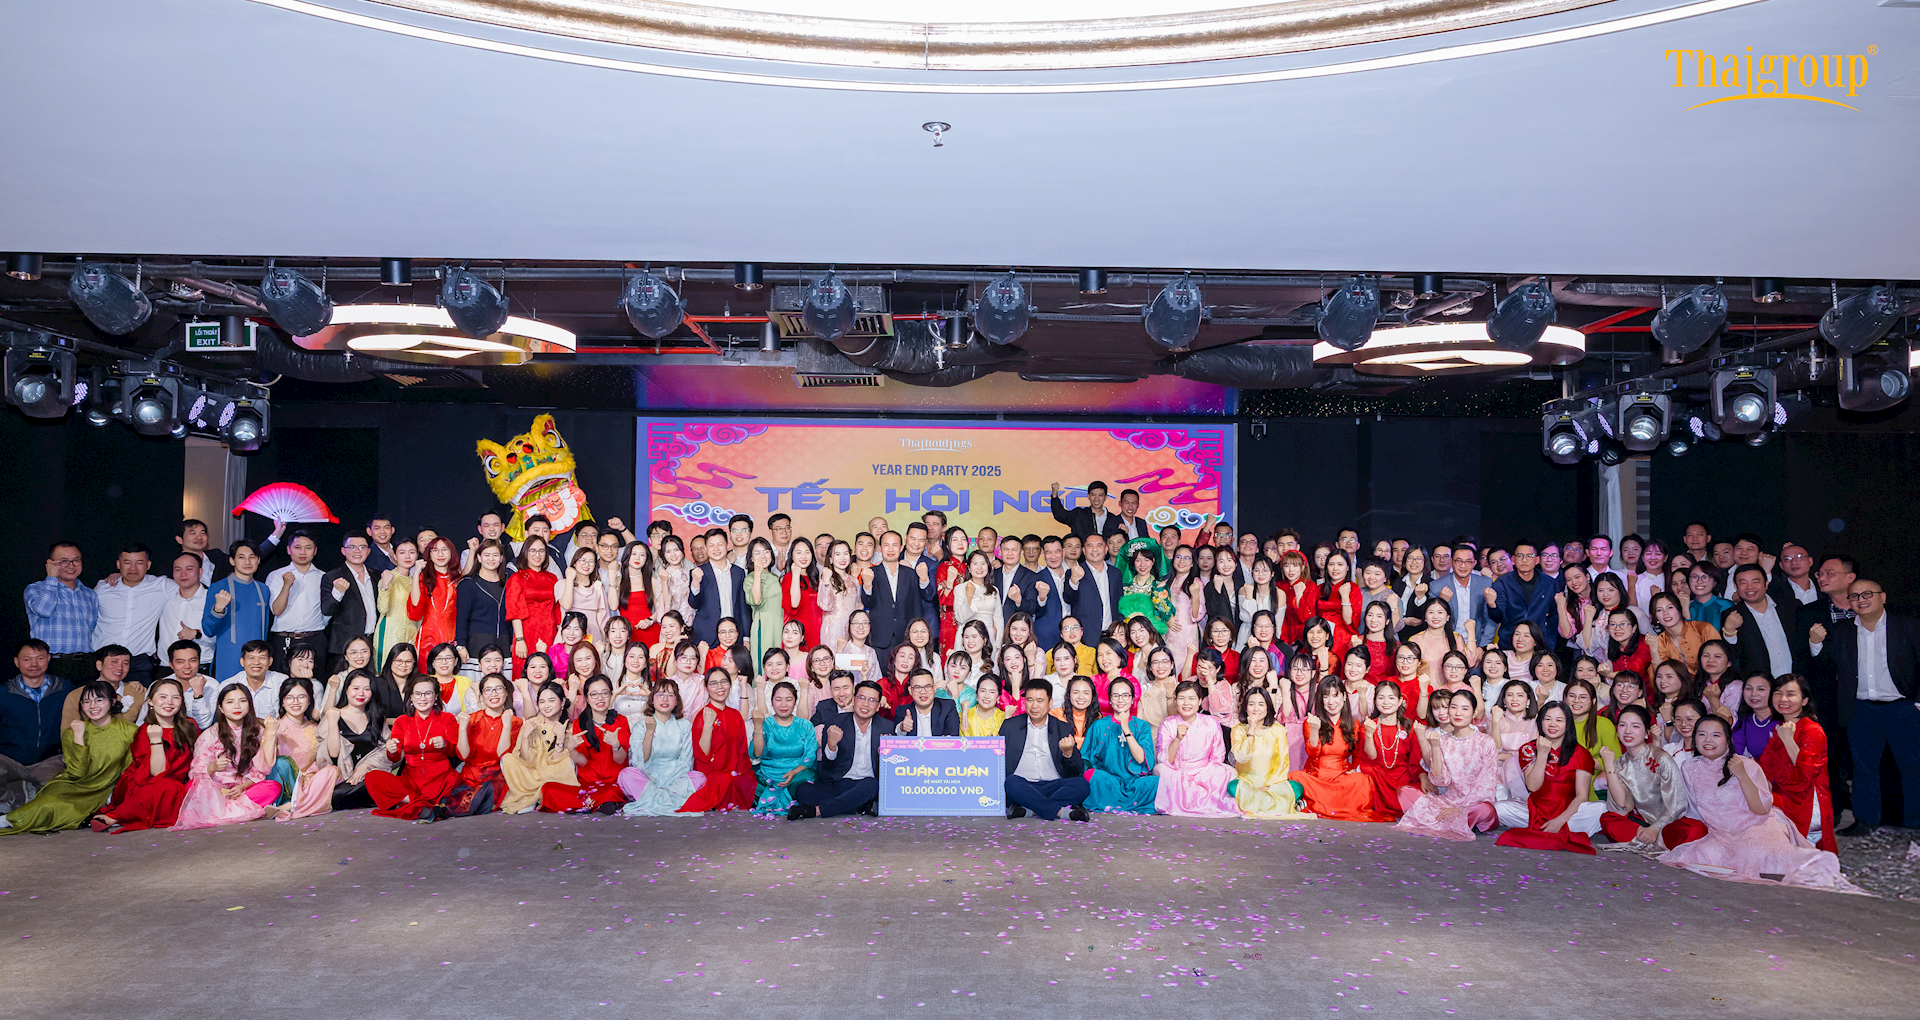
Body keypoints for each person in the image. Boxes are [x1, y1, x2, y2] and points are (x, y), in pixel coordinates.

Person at [1659, 715, 1853, 891]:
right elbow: (1695, 809)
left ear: (1728, 739)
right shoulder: (1690, 767)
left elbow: (1760, 809)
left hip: (1756, 826)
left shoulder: (1746, 764)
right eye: (1702, 735)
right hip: (1721, 834)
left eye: (1716, 735)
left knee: (1759, 856)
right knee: (1702, 856)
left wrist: (1742, 775)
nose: (1708, 740)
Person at [1810, 577, 1920, 836]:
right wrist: (1816, 644)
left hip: (1903, 707)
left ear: (1883, 597)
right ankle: (1865, 821)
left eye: (1867, 594)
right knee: (1864, 770)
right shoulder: (1842, 631)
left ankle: (1915, 824)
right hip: (1861, 710)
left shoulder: (1908, 626)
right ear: (1850, 603)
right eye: (1855, 596)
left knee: (1912, 768)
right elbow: (1826, 667)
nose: (1861, 600)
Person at [0, 680, 134, 833]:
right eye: (86, 701)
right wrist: (79, 737)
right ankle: (9, 820)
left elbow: (130, 770)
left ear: (113, 701)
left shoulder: (129, 731)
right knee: (49, 803)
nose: (92, 706)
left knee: (71, 809)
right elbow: (77, 773)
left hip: (106, 789)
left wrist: (115, 795)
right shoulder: (72, 733)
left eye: (99, 700)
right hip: (74, 785)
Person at [91, 676, 197, 833]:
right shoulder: (144, 731)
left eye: (175, 697)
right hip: (144, 783)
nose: (169, 702)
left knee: (185, 788)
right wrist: (155, 740)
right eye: (162, 697)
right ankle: (117, 816)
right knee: (168, 786)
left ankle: (127, 815)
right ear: (150, 701)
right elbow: (157, 773)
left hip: (176, 784)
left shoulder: (190, 726)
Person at [171, 683, 283, 830]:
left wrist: (243, 787)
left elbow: (261, 768)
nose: (237, 706)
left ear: (249, 705)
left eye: (242, 701)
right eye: (230, 702)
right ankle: (246, 812)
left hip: (244, 790)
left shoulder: (258, 732)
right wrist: (212, 767)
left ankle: (226, 813)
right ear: (221, 708)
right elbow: (197, 771)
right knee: (191, 786)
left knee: (273, 787)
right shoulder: (210, 735)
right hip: (216, 791)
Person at [1393, 689, 1499, 841]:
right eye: (1453, 707)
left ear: (1474, 713)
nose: (1458, 713)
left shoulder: (1485, 742)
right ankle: (1457, 822)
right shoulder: (1442, 741)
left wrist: (1461, 809)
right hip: (1446, 801)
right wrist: (1435, 747)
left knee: (1485, 810)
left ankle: (1455, 819)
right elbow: (1440, 781)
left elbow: (1486, 783)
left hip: (1473, 804)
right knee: (1405, 793)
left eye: (1464, 708)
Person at [1495, 702, 1598, 854]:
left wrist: (1559, 821)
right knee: (1499, 809)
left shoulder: (1581, 753)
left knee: (1601, 809)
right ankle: (1549, 831)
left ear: (1568, 724)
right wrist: (1542, 754)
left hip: (1568, 814)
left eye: (1559, 720)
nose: (1552, 724)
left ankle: (1552, 830)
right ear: (1540, 722)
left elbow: (1582, 795)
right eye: (1547, 719)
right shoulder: (1528, 749)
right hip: (1534, 811)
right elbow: (1533, 786)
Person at [1595, 704, 1699, 852]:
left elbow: (1678, 803)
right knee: (1607, 820)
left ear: (1646, 732)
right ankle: (1654, 841)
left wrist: (1655, 828)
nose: (1628, 731)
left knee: (1694, 829)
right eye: (1623, 725)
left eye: (1635, 726)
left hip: (1669, 822)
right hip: (1642, 822)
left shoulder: (1661, 758)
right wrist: (1609, 766)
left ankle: (1650, 839)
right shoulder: (1620, 764)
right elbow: (1621, 805)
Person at [788, 680, 894, 819]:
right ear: (854, 700)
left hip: (867, 783)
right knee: (803, 790)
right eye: (861, 698)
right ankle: (860, 804)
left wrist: (884, 756)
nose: (865, 704)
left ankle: (817, 811)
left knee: (872, 785)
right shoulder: (835, 722)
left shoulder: (887, 727)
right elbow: (827, 765)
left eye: (872, 700)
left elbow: (891, 770)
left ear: (878, 706)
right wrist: (831, 746)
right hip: (840, 782)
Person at [365, 676, 462, 821]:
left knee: (456, 782)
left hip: (441, 778)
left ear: (436, 696)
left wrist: (445, 744)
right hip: (412, 780)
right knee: (372, 777)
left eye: (428, 693)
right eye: (417, 693)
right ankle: (422, 804)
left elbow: (455, 751)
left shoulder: (447, 718)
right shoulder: (402, 721)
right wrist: (391, 751)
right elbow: (395, 758)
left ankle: (418, 806)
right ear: (411, 697)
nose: (422, 698)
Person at [1758, 674, 1835, 851]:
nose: (1783, 699)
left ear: (1804, 700)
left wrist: (1789, 741)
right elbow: (1765, 768)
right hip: (1786, 798)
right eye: (1778, 693)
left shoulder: (1811, 729)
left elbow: (1806, 775)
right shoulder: (1780, 729)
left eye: (1790, 694)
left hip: (1806, 804)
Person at [1002, 679, 1092, 821]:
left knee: (1082, 785)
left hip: (1053, 785)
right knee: (1011, 783)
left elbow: (1077, 770)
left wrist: (1068, 753)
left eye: (1040, 701)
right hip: (1023, 785)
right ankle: (1060, 812)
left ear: (1050, 703)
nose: (1034, 706)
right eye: (1030, 700)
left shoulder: (1063, 728)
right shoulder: (1009, 726)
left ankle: (1030, 810)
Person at [89, 544, 174, 688]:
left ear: (148, 565)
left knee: (139, 701)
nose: (133, 568)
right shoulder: (103, 587)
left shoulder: (162, 586)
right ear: (118, 564)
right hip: (102, 660)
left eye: (139, 563)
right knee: (96, 700)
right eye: (127, 562)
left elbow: (192, 588)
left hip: (138, 663)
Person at [542, 675, 629, 814]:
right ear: (587, 698)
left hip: (612, 783)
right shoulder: (579, 723)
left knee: (612, 791)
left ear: (611, 695)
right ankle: (597, 804)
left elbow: (620, 759)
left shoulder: (621, 721)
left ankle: (590, 803)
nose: (600, 698)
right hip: (587, 783)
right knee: (548, 788)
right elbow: (582, 762)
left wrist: (615, 745)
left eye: (605, 693)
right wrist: (571, 749)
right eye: (594, 694)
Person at [678, 668, 756, 812]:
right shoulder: (702, 716)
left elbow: (742, 752)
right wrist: (708, 725)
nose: (719, 687)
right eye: (713, 683)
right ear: (706, 688)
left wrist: (741, 774)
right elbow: (701, 755)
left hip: (734, 774)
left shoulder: (735, 715)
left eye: (723, 682)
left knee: (751, 784)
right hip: (712, 776)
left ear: (730, 685)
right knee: (727, 781)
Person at [1232, 687, 1313, 819]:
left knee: (1297, 787)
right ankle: (1282, 804)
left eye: (1261, 704)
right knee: (1232, 787)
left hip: (1273, 784)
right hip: (1247, 783)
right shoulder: (1238, 730)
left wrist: (1268, 786)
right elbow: (1242, 757)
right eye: (1251, 704)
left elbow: (1282, 762)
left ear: (1267, 708)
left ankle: (1256, 803)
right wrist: (1251, 730)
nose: (1256, 709)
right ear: (1246, 708)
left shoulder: (1277, 730)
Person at [1081, 676, 1159, 814]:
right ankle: (1128, 804)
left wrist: (1126, 730)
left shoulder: (1142, 726)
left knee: (1156, 782)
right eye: (1116, 696)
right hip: (1108, 781)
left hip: (1134, 782)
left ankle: (1112, 802)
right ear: (1110, 700)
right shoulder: (1099, 725)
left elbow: (1141, 758)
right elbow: (1085, 758)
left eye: (1125, 695)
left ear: (1132, 699)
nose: (1120, 700)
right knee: (1092, 776)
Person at [25, 541, 99, 684]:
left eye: (76, 560)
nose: (71, 566)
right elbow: (43, 611)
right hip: (52, 664)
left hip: (85, 665)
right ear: (50, 564)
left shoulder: (90, 594)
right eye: (63, 561)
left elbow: (93, 629)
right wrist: (51, 579)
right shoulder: (36, 589)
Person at [262, 678, 337, 819]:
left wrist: (310, 775)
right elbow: (266, 763)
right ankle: (296, 802)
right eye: (290, 697)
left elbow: (320, 759)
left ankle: (289, 806)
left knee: (332, 770)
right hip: (285, 785)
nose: (295, 702)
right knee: (282, 762)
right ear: (283, 702)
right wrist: (271, 733)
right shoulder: (275, 727)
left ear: (309, 701)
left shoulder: (315, 728)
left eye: (301, 697)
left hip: (309, 781)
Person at [501, 681, 577, 813]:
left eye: (551, 700)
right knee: (507, 759)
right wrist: (525, 736)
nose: (546, 705)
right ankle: (529, 798)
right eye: (542, 702)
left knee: (569, 761)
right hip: (532, 772)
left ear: (563, 702)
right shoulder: (531, 724)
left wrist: (560, 738)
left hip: (552, 774)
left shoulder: (568, 727)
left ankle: (541, 797)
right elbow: (525, 760)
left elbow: (557, 761)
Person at [202, 540, 271, 683]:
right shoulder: (218, 587)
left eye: (252, 557)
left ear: (258, 560)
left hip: (257, 661)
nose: (247, 562)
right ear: (232, 561)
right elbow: (208, 630)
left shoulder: (263, 589)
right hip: (229, 659)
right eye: (241, 557)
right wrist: (218, 609)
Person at [324, 669, 392, 810]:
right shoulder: (334, 715)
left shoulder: (377, 717)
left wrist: (365, 765)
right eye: (356, 688)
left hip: (370, 775)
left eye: (367, 689)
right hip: (342, 780)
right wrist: (332, 722)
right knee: (337, 795)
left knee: (375, 781)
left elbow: (387, 749)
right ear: (346, 689)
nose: (361, 693)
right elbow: (333, 753)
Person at [750, 680, 817, 817]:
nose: (783, 704)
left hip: (797, 776)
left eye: (788, 699)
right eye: (778, 700)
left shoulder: (805, 725)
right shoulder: (765, 723)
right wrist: (758, 726)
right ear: (772, 702)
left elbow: (810, 756)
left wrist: (794, 772)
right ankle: (788, 799)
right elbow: (757, 753)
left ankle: (776, 798)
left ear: (795, 702)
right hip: (767, 777)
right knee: (745, 782)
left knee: (809, 778)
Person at [1357, 680, 1423, 819]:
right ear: (1375, 701)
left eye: (1391, 698)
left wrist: (1423, 777)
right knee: (1365, 771)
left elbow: (1415, 761)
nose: (1386, 702)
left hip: (1402, 779)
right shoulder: (1368, 725)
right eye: (1381, 697)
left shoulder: (1408, 727)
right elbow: (1371, 757)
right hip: (1377, 778)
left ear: (1399, 702)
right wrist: (1369, 734)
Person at [266, 532, 327, 670]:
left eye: (308, 548)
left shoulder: (323, 577)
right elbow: (276, 610)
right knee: (282, 681)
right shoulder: (276, 575)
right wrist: (286, 586)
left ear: (315, 551)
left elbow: (327, 611)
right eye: (297, 547)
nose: (302, 552)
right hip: (284, 639)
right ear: (289, 549)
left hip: (314, 639)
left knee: (314, 681)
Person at [318, 535, 378, 678]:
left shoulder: (377, 575)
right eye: (351, 547)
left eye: (362, 547)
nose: (357, 551)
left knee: (370, 685)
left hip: (372, 643)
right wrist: (338, 592)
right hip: (344, 645)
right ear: (343, 550)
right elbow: (326, 610)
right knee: (343, 685)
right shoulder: (332, 576)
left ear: (368, 551)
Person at [864, 531, 934, 651]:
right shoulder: (871, 573)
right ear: (880, 548)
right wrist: (867, 584)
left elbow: (916, 606)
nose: (891, 549)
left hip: (904, 637)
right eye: (886, 545)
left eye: (895, 545)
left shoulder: (911, 574)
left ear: (901, 548)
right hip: (879, 637)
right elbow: (867, 603)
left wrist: (917, 633)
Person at [1484, 542, 1561, 651]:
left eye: (1529, 556)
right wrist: (1492, 605)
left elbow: (1554, 617)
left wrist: (1549, 644)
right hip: (1509, 644)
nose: (1524, 560)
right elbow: (1497, 618)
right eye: (1520, 556)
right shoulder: (1502, 583)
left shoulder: (1549, 583)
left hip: (1539, 644)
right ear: (1514, 559)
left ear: (1537, 560)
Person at [506, 537, 562, 676]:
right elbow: (515, 611)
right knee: (525, 672)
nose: (537, 555)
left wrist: (560, 638)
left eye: (541, 551)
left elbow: (557, 610)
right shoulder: (517, 578)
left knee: (549, 671)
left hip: (549, 632)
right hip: (526, 633)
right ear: (525, 552)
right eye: (533, 551)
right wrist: (520, 640)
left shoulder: (552, 578)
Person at [688, 532, 747, 647]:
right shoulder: (698, 572)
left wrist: (746, 637)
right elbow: (694, 604)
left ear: (727, 545)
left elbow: (743, 607)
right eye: (711, 545)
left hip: (733, 635)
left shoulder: (738, 572)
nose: (716, 549)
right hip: (706, 635)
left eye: (720, 544)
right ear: (706, 548)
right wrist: (695, 584)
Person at [408, 537, 462, 654]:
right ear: (429, 554)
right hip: (429, 638)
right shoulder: (423, 579)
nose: (440, 554)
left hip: (454, 637)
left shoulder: (458, 580)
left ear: (451, 552)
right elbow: (415, 611)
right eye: (435, 550)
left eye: (444, 550)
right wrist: (416, 574)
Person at [373, 539, 420, 666]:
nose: (407, 556)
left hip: (412, 632)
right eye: (402, 552)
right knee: (389, 667)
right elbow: (382, 608)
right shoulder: (389, 577)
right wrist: (384, 585)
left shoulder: (416, 580)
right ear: (394, 555)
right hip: (390, 631)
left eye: (412, 552)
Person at [741, 539, 786, 666]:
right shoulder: (750, 578)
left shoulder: (775, 577)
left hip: (779, 625)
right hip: (764, 626)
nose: (763, 556)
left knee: (780, 662)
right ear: (751, 558)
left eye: (766, 552)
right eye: (757, 553)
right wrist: (757, 573)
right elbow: (755, 600)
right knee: (764, 663)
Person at [1048, 480, 1123, 541]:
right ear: (1088, 496)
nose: (1096, 499)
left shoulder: (1113, 519)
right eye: (1093, 495)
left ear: (1105, 497)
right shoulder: (1078, 515)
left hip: (1105, 555)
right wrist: (1054, 496)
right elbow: (1060, 515)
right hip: (1083, 555)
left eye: (1100, 495)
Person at [894, 669, 960, 737]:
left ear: (934, 688)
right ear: (910, 690)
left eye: (928, 686)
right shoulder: (902, 711)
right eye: (917, 687)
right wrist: (902, 728)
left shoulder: (947, 707)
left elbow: (952, 736)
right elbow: (895, 739)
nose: (923, 692)